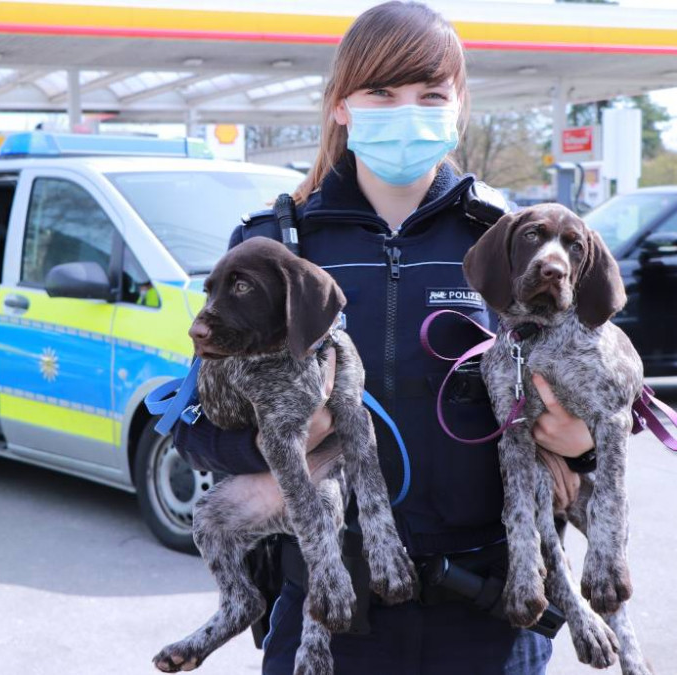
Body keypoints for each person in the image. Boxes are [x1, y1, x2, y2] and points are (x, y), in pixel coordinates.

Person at [174, 2, 596, 673]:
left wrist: (585, 445)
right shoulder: (276, 247)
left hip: (489, 619)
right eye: (381, 92)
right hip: (327, 614)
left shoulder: (511, 242)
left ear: (458, 107)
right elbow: (191, 421)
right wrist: (260, 445)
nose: (407, 112)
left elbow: (592, 397)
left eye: (430, 93)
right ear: (342, 105)